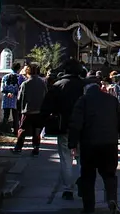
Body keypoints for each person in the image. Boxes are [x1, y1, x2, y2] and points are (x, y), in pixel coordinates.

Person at [68, 84, 120, 214]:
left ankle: (89, 208)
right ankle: (112, 199)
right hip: (109, 144)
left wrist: (73, 144)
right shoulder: (112, 100)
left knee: (88, 178)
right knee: (109, 175)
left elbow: (75, 124)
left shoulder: (83, 101)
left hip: (89, 145)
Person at [41, 59, 87, 201]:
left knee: (66, 159)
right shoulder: (84, 86)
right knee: (82, 159)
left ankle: (68, 189)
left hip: (63, 126)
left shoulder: (57, 85)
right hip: (83, 127)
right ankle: (82, 184)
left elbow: (46, 107)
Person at [13, 64, 47, 156]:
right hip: (39, 110)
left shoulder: (25, 84)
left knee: (22, 129)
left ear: (28, 72)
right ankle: (36, 147)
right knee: (37, 130)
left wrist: (19, 109)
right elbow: (46, 96)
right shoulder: (42, 83)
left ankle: (18, 147)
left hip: (27, 111)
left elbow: (20, 99)